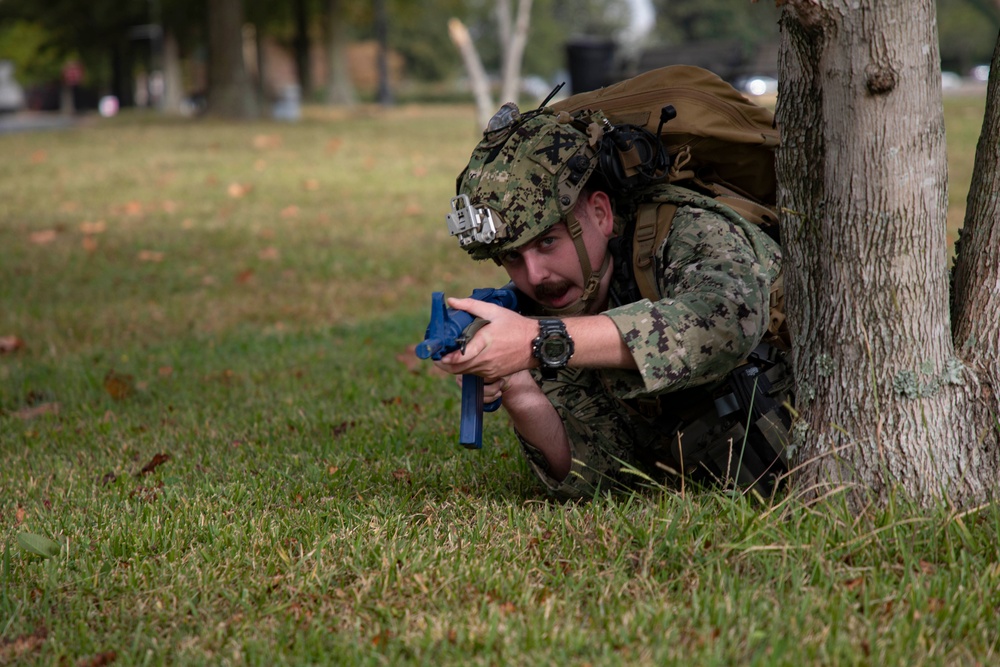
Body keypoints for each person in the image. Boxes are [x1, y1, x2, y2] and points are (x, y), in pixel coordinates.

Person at [434, 101, 791, 499]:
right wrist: (517, 383)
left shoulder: (688, 230)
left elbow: (726, 322)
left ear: (601, 213)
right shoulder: (546, 310)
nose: (535, 276)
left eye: (548, 242)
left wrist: (541, 341)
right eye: (513, 257)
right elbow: (600, 476)